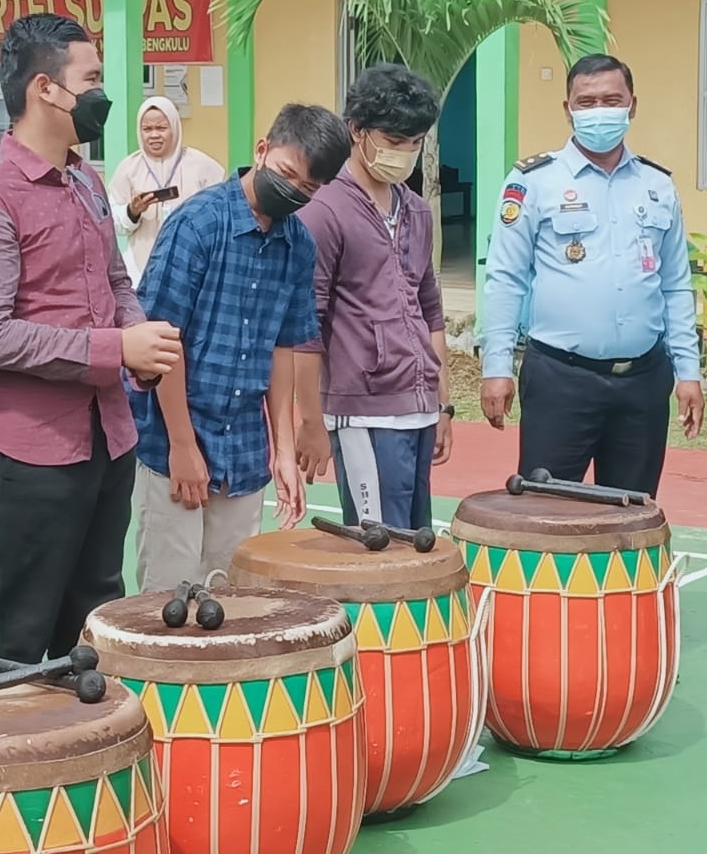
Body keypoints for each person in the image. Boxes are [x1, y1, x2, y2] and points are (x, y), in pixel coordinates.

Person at [0, 13, 183, 664]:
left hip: (107, 436)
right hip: (26, 449)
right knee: (19, 633)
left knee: (91, 624)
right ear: (47, 89)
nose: (105, 94)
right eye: (93, 77)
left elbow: (114, 281)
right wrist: (113, 351)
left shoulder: (87, 182)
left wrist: (138, 335)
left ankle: (78, 760)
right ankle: (6, 761)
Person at [130, 102, 351, 591]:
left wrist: (284, 453)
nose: (293, 192)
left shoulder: (299, 245)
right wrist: (183, 447)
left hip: (244, 452)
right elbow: (162, 342)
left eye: (308, 189)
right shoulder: (197, 225)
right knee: (166, 600)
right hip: (175, 441)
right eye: (287, 174)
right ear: (261, 149)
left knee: (230, 597)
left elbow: (283, 348)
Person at [480, 53, 704, 497]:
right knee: (545, 512)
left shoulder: (657, 186)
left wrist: (689, 372)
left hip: (643, 382)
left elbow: (675, 284)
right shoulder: (532, 182)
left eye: (611, 100)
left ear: (632, 105)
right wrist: (497, 366)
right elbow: (506, 279)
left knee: (630, 516)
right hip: (561, 379)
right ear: (567, 109)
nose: (599, 111)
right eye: (586, 102)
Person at [293, 65, 453, 529]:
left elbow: (431, 312)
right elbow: (306, 327)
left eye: (415, 141)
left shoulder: (416, 210)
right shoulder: (324, 211)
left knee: (416, 542)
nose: (404, 152)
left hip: (419, 409)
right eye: (393, 139)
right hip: (362, 412)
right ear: (357, 132)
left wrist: (442, 405)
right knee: (377, 548)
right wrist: (311, 420)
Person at [107, 94, 225, 276]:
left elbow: (221, 215)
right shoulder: (128, 168)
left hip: (192, 266)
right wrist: (132, 211)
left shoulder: (202, 166)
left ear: (175, 128)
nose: (154, 135)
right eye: (147, 129)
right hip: (140, 269)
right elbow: (111, 222)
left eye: (161, 128)